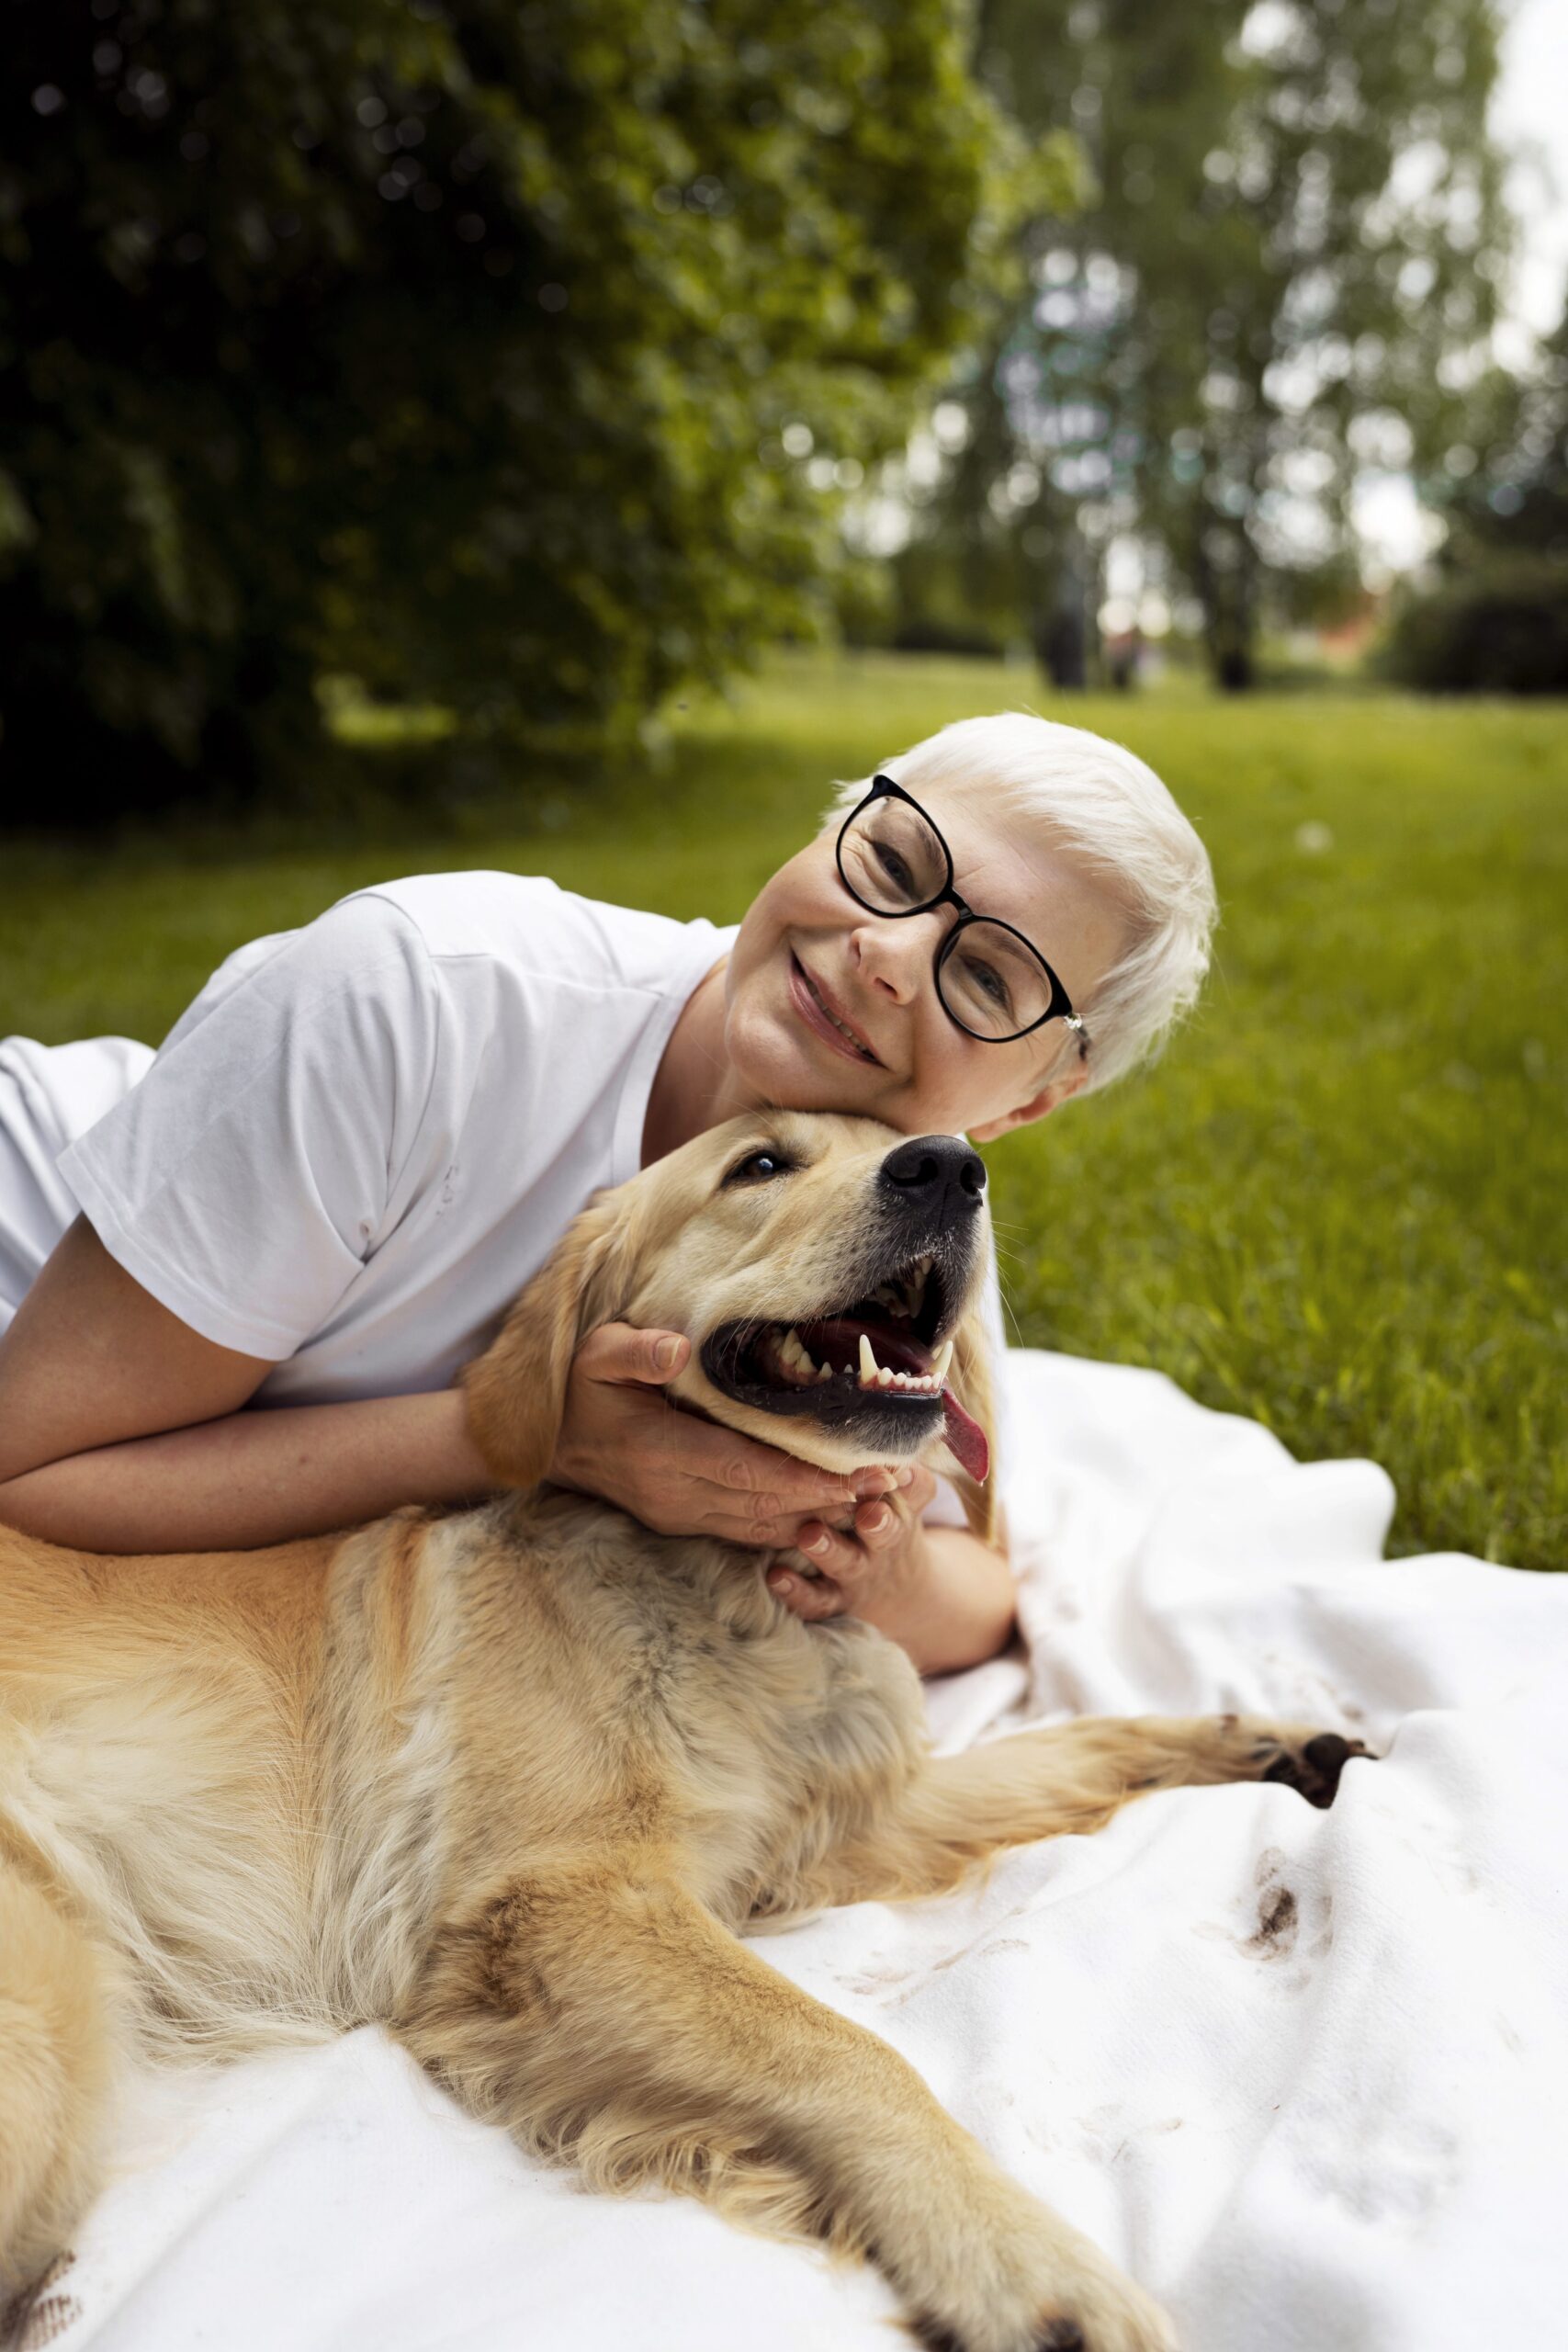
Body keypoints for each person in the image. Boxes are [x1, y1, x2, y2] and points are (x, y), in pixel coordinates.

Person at [0, 713, 1215, 1676]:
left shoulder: (904, 1194)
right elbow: (26, 1479)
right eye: (892, 864)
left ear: (1030, 1099)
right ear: (823, 834)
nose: (888, 952)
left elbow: (977, 1592)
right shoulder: (420, 1000)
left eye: (990, 978)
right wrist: (538, 1441)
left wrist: (878, 1570)